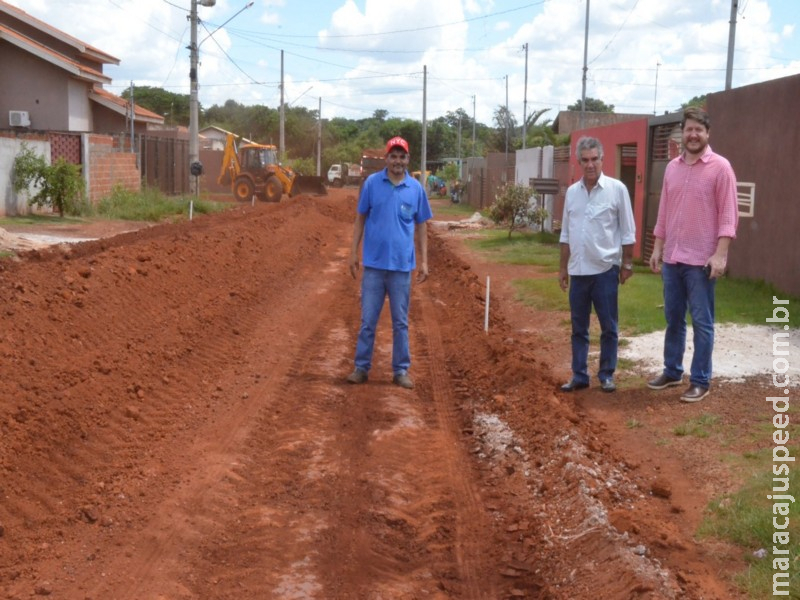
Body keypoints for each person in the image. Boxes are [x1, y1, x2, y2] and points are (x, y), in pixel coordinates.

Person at [647, 106, 738, 402]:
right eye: (689, 129)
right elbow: (664, 212)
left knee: (702, 322)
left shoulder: (721, 168)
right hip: (673, 258)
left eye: (699, 129)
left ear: (707, 133)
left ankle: (700, 380)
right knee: (674, 319)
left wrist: (720, 256)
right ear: (682, 133)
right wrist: (658, 249)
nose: (693, 134)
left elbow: (728, 216)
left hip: (701, 262)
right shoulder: (672, 168)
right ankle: (672, 372)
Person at [346, 136, 433, 389]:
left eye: (402, 156)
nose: (397, 161)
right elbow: (360, 218)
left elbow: (422, 225)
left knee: (400, 322)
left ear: (407, 160)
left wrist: (424, 262)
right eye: (393, 156)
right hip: (373, 266)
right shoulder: (372, 184)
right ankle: (361, 368)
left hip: (401, 268)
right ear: (386, 159)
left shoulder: (415, 189)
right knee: (368, 321)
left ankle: (400, 370)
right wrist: (353, 253)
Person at [558, 136, 637, 393]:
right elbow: (566, 234)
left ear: (602, 159)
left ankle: (606, 374)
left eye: (595, 159)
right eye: (585, 160)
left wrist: (627, 264)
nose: (590, 165)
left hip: (605, 271)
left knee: (608, 327)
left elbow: (627, 231)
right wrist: (562, 268)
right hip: (578, 271)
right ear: (579, 162)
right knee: (578, 328)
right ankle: (580, 375)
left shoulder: (617, 190)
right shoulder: (572, 193)